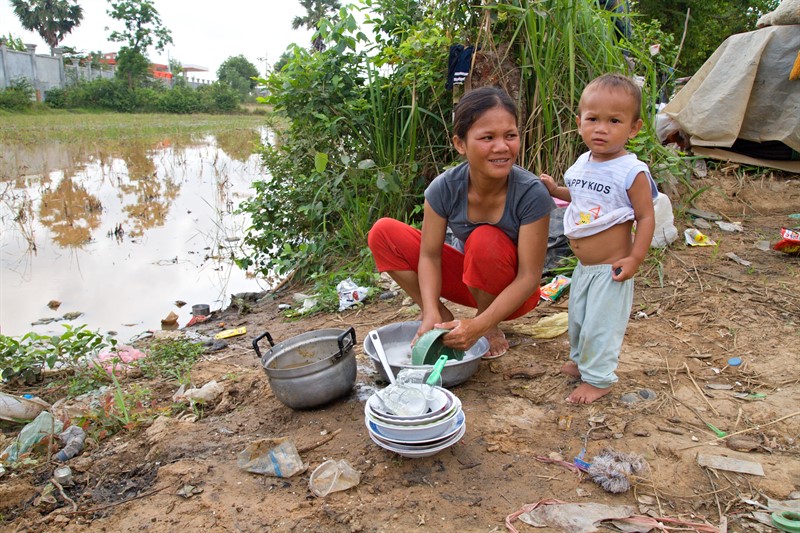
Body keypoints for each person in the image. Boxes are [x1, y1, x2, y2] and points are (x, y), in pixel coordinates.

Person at [368, 86, 554, 359]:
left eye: (510, 135)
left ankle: (487, 323)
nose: (502, 147)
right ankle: (440, 316)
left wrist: (479, 325)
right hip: (469, 281)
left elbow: (529, 277)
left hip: (517, 295)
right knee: (382, 232)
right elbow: (430, 256)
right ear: (460, 144)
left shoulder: (531, 192)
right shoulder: (444, 188)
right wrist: (430, 308)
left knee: (484, 239)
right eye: (487, 137)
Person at [540, 73, 657, 404]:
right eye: (593, 119)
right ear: (580, 123)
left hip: (611, 267)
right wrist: (555, 190)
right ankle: (580, 362)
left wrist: (635, 258)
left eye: (614, 121)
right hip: (584, 267)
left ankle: (599, 379)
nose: (601, 128)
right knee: (578, 319)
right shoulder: (583, 163)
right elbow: (578, 196)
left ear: (633, 128)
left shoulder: (631, 171)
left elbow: (645, 216)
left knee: (601, 326)